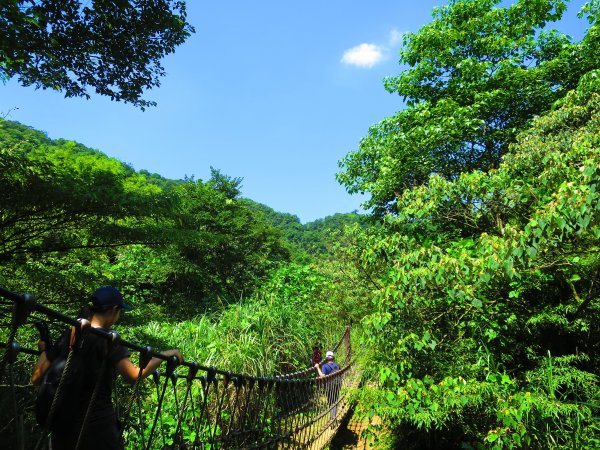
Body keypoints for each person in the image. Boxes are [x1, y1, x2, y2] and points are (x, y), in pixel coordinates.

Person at [31, 286, 184, 450]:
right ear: (114, 310)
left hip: (63, 428)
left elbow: (36, 378)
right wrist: (164, 355)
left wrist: (44, 351)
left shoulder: (69, 335)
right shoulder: (109, 340)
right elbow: (133, 375)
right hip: (97, 428)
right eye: (120, 311)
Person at [314, 350, 341, 421]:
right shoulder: (337, 365)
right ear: (333, 358)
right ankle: (333, 416)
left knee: (330, 401)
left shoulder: (325, 366)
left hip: (329, 386)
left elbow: (322, 376)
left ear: (326, 358)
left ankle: (332, 417)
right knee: (335, 401)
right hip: (337, 385)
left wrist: (317, 367)